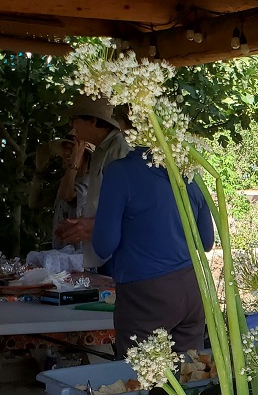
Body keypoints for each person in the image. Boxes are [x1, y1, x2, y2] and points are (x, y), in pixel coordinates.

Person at [92, 148, 215, 357]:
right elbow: (206, 241)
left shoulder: (120, 172)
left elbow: (104, 245)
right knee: (190, 375)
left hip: (145, 293)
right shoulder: (187, 170)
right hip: (192, 288)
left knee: (140, 377)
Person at [55, 95, 130, 268]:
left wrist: (92, 225)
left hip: (116, 256)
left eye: (75, 119)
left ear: (94, 121)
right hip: (100, 254)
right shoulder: (101, 151)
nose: (71, 125)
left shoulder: (121, 150)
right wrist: (82, 224)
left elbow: (130, 208)